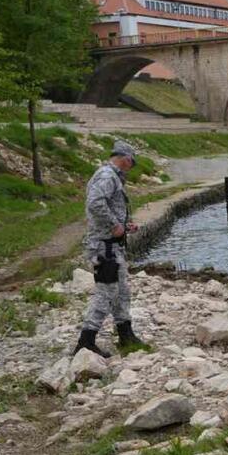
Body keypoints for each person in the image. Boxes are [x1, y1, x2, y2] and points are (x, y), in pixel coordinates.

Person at [74, 140, 147, 357]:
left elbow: (107, 206)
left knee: (122, 291)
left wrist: (125, 225)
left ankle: (126, 334)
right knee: (106, 293)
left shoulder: (112, 176)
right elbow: (95, 203)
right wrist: (114, 225)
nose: (131, 167)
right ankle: (86, 340)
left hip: (113, 246)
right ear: (126, 159)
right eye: (131, 163)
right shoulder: (107, 176)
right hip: (104, 247)